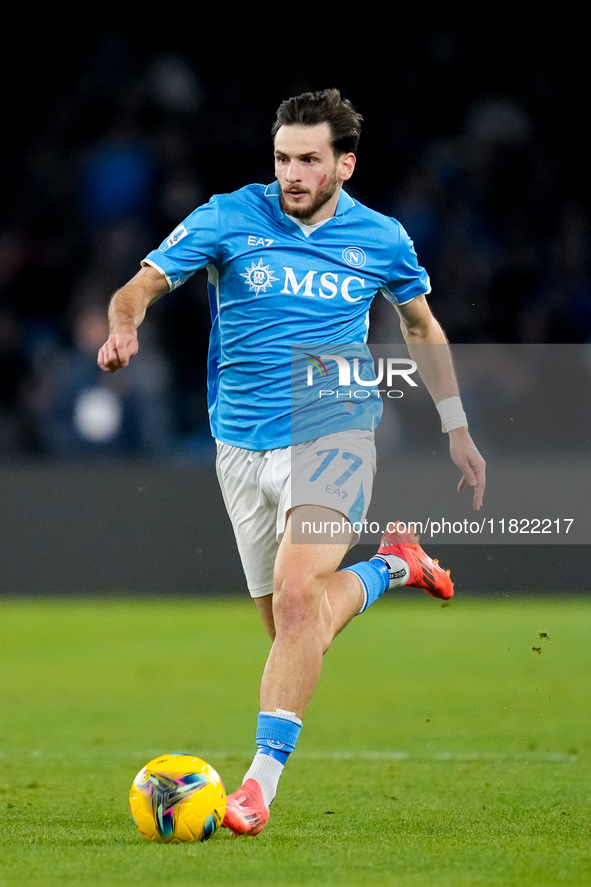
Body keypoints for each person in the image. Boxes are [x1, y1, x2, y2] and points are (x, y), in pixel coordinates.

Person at [98, 88, 486, 836]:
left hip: (334, 429)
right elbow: (138, 286)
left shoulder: (381, 238)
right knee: (290, 626)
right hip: (240, 446)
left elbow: (421, 326)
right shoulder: (226, 216)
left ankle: (255, 787)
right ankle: (394, 565)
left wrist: (455, 425)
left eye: (309, 159)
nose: (292, 174)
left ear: (343, 162)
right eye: (282, 158)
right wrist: (125, 328)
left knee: (300, 596)